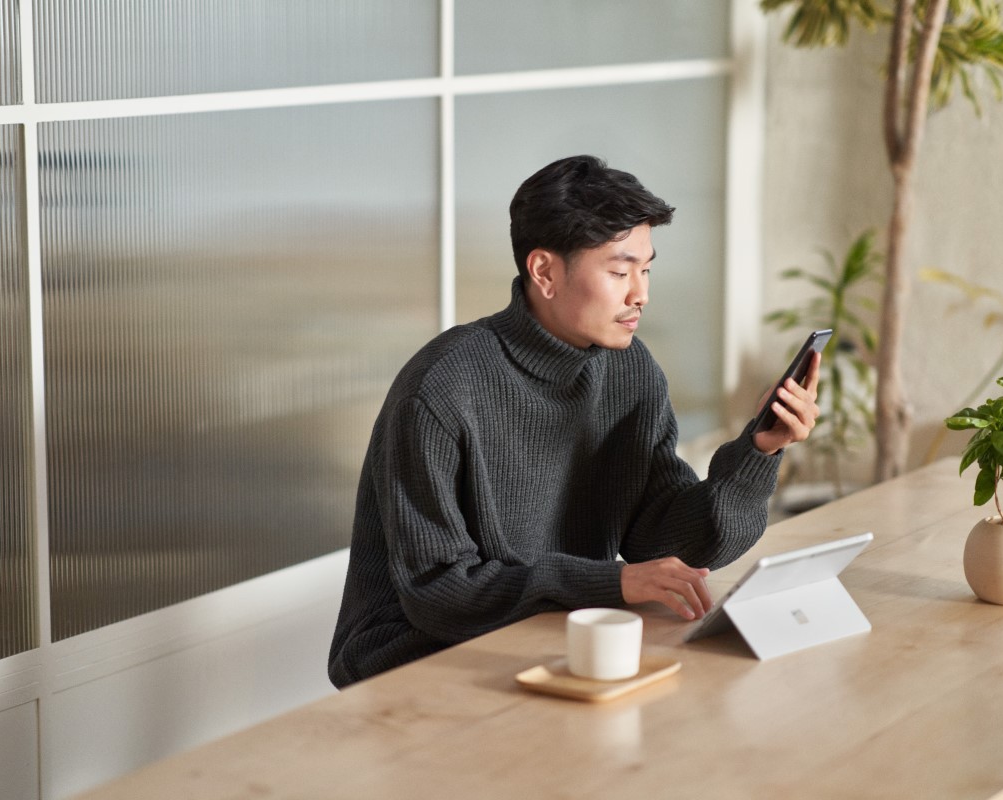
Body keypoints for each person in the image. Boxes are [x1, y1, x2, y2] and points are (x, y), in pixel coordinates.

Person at [327, 155, 819, 688]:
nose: (641, 294)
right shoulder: (441, 388)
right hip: (418, 658)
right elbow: (438, 594)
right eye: (618, 271)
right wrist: (610, 582)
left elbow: (668, 547)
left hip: (550, 637)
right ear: (544, 271)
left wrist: (760, 452)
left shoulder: (629, 369)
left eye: (646, 268)